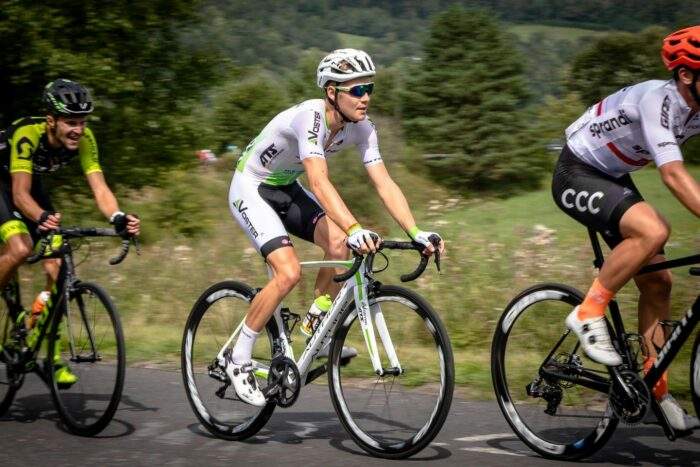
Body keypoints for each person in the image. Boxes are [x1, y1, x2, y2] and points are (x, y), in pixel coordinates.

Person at [227, 49, 445, 406]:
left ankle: (318, 325)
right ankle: (238, 358)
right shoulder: (310, 118)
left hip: (286, 187)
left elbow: (384, 182)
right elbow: (319, 181)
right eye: (357, 90)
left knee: (341, 245)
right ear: (332, 92)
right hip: (251, 187)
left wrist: (415, 231)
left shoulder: (363, 128)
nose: (366, 98)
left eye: (369, 89)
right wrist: (356, 226)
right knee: (288, 272)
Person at [551, 26, 700, 430]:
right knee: (653, 229)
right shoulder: (659, 101)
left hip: (613, 176)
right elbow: (673, 174)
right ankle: (588, 311)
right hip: (576, 172)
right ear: (687, 75)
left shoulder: (696, 106)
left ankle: (657, 391)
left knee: (659, 283)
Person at [0, 79, 140, 385]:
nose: (79, 129)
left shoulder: (85, 138)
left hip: (29, 187)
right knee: (20, 248)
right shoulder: (27, 134)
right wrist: (41, 217)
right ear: (51, 120)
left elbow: (99, 187)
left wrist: (118, 217)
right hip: (7, 185)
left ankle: (50, 357)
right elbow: (20, 194)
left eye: (83, 121)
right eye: (71, 122)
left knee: (58, 268)